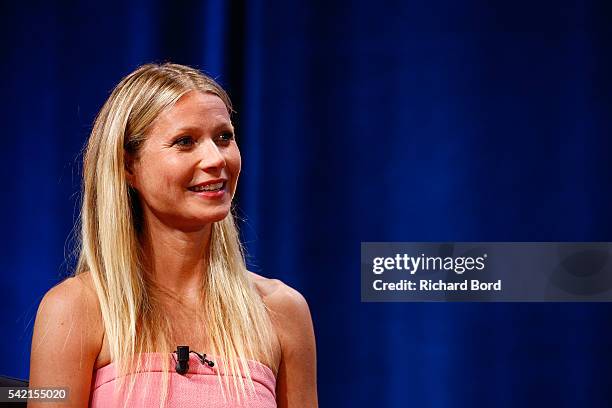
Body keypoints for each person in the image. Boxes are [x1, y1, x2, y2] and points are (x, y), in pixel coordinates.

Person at [28, 63, 318, 407]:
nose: (215, 158)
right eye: (185, 141)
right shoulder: (75, 309)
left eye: (224, 137)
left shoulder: (283, 311)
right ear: (128, 166)